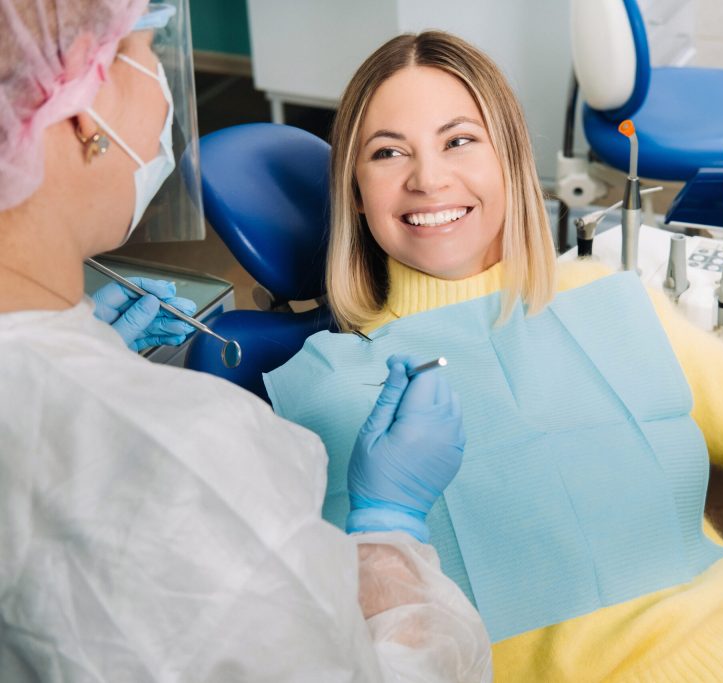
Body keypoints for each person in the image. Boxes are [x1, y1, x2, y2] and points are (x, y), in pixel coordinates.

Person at [268, 31, 723, 682]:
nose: (428, 178)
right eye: (387, 152)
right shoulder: (336, 391)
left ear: (510, 159)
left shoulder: (610, 301)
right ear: (354, 191)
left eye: (458, 140)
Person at [0, 3, 491, 681]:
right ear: (84, 109)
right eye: (148, 50)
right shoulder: (188, 458)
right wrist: (389, 532)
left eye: (460, 139)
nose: (429, 177)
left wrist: (85, 358)